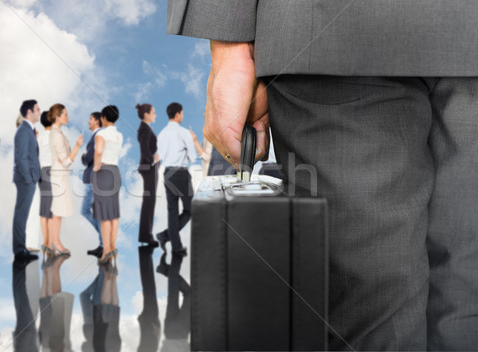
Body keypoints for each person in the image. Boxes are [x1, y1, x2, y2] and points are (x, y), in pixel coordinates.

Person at [168, 2, 478, 350]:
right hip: (344, 40)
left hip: (329, 31)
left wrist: (229, 45)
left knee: (372, 311)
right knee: (462, 298)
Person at [156, 102, 201, 254]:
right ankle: (165, 235)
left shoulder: (161, 134)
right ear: (177, 114)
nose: (183, 115)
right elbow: (193, 157)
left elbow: (159, 155)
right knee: (191, 209)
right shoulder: (183, 133)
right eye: (182, 113)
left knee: (172, 211)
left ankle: (175, 246)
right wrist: (187, 156)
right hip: (180, 173)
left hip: (167, 173)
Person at [48, 103, 84, 256]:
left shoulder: (59, 133)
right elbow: (66, 161)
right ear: (57, 117)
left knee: (58, 212)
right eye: (65, 114)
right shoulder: (56, 135)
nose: (68, 117)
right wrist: (77, 146)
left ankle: (53, 242)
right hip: (59, 176)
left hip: (60, 175)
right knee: (57, 211)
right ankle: (55, 242)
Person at [93, 105, 123, 264]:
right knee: (113, 212)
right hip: (115, 171)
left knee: (104, 215)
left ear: (103, 117)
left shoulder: (101, 133)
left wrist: (96, 166)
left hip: (104, 172)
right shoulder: (119, 135)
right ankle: (113, 247)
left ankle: (106, 251)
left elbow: (98, 152)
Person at [12, 99, 41, 262]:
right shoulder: (23, 130)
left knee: (23, 214)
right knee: (21, 214)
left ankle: (21, 248)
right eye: (37, 109)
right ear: (29, 112)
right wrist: (29, 178)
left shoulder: (29, 130)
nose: (40, 112)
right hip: (25, 179)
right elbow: (21, 157)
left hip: (28, 178)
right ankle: (19, 250)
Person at [136, 103, 160, 247]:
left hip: (151, 167)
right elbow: (144, 149)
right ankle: (146, 236)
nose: (155, 115)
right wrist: (153, 160)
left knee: (150, 201)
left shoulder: (146, 128)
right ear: (146, 114)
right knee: (149, 201)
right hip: (149, 167)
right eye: (153, 112)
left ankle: (146, 235)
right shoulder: (144, 130)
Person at [81, 112, 104, 257]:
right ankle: (103, 242)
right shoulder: (97, 136)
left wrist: (84, 156)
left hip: (92, 178)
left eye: (90, 119)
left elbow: (88, 158)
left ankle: (104, 241)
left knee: (85, 210)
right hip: (94, 177)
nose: (88, 121)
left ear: (96, 121)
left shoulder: (98, 136)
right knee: (95, 211)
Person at [37, 110, 54, 255]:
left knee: (44, 209)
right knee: (53, 209)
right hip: (52, 171)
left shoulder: (39, 137)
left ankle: (46, 242)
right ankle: (50, 244)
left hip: (41, 172)